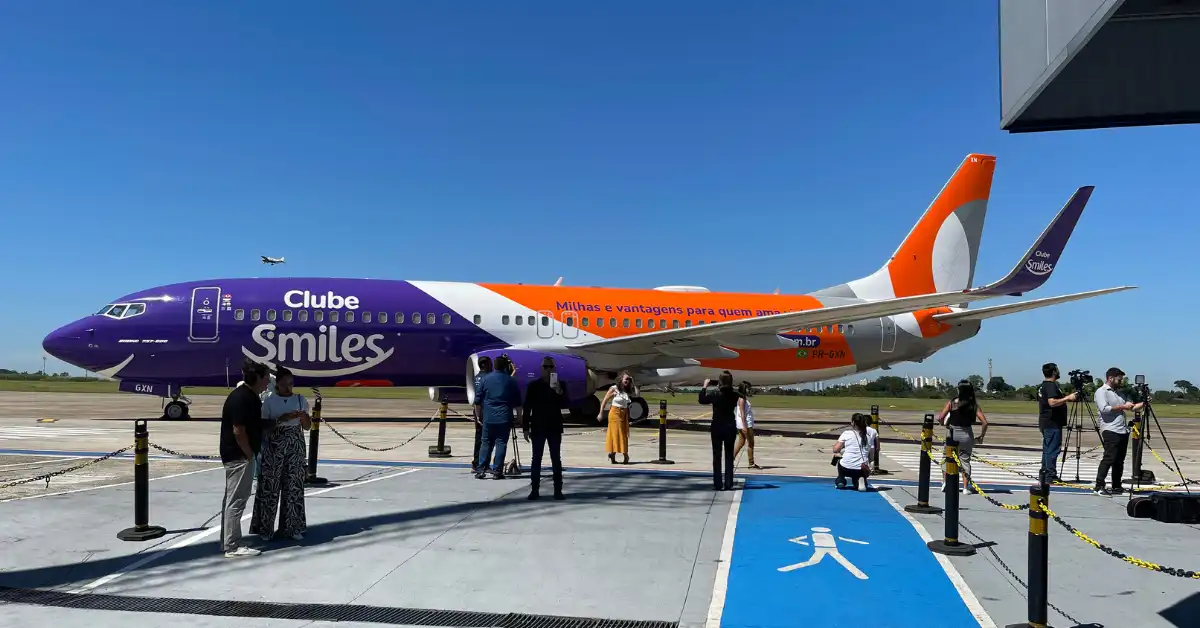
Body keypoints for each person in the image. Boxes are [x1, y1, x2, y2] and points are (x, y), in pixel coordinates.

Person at [250, 366, 311, 541]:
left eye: (290, 384)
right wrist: (280, 420)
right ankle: (265, 528)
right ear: (277, 385)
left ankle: (293, 527)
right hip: (274, 445)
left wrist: (303, 418)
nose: (288, 388)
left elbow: (307, 427)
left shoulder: (300, 400)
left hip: (295, 446)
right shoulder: (269, 402)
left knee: (294, 487)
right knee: (270, 487)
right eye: (284, 384)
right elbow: (263, 426)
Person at [220, 358, 270, 558]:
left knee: (232, 499)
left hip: (239, 454)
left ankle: (228, 539)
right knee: (237, 500)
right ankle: (232, 546)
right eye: (266, 378)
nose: (268, 382)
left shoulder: (249, 396)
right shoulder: (244, 398)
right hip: (240, 456)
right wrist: (249, 454)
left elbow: (252, 425)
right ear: (257, 377)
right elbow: (238, 430)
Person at [522, 356, 569, 500]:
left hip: (554, 426)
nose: (548, 369)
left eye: (551, 367)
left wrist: (559, 391)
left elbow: (566, 404)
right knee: (536, 458)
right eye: (545, 367)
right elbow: (527, 407)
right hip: (538, 426)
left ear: (554, 368)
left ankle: (558, 490)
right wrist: (525, 427)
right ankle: (534, 489)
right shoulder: (534, 385)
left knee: (556, 459)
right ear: (541, 368)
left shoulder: (560, 385)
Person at [1093, 367, 1143, 496]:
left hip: (1122, 430)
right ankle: (1099, 485)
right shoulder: (1101, 391)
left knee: (1119, 460)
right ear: (1110, 378)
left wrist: (1143, 403)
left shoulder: (1118, 393)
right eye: (1119, 379)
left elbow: (1130, 407)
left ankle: (1116, 485)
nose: (1121, 382)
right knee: (1109, 458)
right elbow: (1104, 409)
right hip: (1110, 429)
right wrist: (1123, 406)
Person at [935, 380, 989, 494]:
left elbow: (940, 417)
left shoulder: (952, 402)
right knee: (965, 460)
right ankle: (965, 487)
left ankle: (945, 482)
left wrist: (944, 424)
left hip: (952, 433)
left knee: (947, 458)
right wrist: (981, 436)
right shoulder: (974, 405)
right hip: (966, 434)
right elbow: (985, 422)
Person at [474, 354, 522, 479]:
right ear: (505, 367)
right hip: (504, 416)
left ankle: (481, 469)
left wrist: (479, 416)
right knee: (501, 443)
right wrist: (519, 417)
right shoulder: (511, 380)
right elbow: (518, 402)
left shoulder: (486, 379)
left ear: (494, 366)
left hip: (489, 416)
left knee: (486, 442)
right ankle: (497, 471)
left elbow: (477, 401)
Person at [699, 371, 740, 490]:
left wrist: (705, 386)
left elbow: (702, 400)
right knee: (728, 456)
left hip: (717, 426)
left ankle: (718, 483)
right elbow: (742, 395)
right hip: (730, 426)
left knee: (717, 456)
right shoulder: (734, 395)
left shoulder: (715, 394)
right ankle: (728, 483)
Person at [1037, 362, 1077, 482]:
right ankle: (1050, 475)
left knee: (1047, 449)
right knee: (1052, 450)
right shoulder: (1050, 385)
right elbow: (1052, 402)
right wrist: (1068, 398)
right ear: (1054, 371)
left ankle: (1045, 473)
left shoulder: (1043, 385)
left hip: (1046, 421)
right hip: (1052, 422)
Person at [831, 413, 878, 491]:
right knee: (858, 477)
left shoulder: (846, 433)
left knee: (838, 454)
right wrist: (871, 468)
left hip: (846, 467)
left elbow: (835, 450)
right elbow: (871, 456)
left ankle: (841, 480)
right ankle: (861, 480)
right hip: (861, 469)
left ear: (853, 423)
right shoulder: (869, 437)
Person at [598, 372, 635, 464]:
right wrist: (601, 413)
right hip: (615, 413)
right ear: (621, 379)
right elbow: (605, 401)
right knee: (617, 434)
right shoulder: (614, 389)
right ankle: (625, 455)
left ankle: (612, 454)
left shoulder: (627, 390)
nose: (627, 381)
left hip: (624, 413)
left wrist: (634, 383)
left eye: (628, 379)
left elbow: (636, 394)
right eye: (626, 379)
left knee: (623, 434)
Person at [471, 356, 493, 474]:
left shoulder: (476, 378)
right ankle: (484, 464)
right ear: (485, 365)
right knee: (488, 440)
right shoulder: (488, 378)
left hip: (477, 410)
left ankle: (476, 462)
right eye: (490, 364)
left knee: (478, 438)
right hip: (486, 410)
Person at [733, 381, 761, 470]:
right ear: (744, 389)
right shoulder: (742, 399)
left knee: (741, 442)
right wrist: (745, 426)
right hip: (745, 424)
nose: (750, 390)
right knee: (751, 443)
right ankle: (751, 463)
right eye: (748, 388)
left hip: (742, 424)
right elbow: (742, 413)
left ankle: (730, 460)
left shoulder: (741, 398)